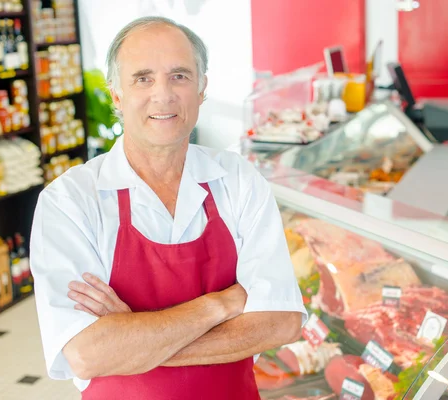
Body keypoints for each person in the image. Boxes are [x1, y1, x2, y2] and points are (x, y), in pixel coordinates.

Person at [29, 16, 307, 399]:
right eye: (142, 78)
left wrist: (135, 340)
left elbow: (281, 322)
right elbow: (88, 353)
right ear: (116, 94)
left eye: (179, 75)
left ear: (202, 88)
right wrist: (221, 303)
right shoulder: (70, 201)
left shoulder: (238, 181)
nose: (163, 94)